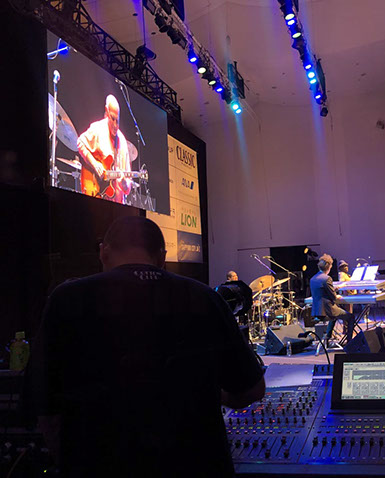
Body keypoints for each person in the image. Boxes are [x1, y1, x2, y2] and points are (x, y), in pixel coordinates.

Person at [26, 216, 265, 477]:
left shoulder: (67, 298)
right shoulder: (206, 298)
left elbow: (44, 404)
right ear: (162, 257)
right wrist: (210, 394)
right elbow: (252, 389)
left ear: (103, 252)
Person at [77, 95, 133, 204]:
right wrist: (95, 164)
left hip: (117, 205)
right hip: (97, 196)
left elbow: (128, 189)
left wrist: (124, 183)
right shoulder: (98, 129)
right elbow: (80, 142)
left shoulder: (122, 142)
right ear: (106, 111)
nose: (115, 125)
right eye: (113, 119)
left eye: (118, 120)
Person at [310, 254, 355, 346]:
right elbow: (333, 297)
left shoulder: (313, 279)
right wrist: (337, 296)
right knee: (351, 317)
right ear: (329, 267)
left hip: (317, 311)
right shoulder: (327, 278)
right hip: (328, 311)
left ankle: (328, 338)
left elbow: (323, 291)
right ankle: (350, 343)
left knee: (334, 316)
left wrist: (338, 287)